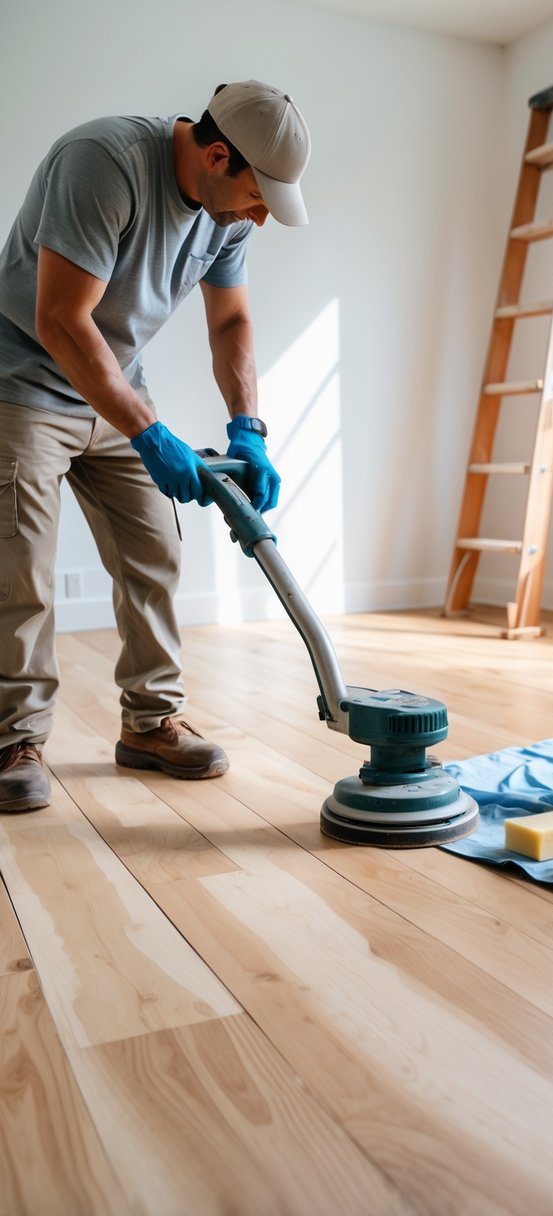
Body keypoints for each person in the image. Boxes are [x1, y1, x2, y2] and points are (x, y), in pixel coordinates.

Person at [0, 79, 311, 812]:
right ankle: (15, 739)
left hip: (115, 390)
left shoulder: (225, 214)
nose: (259, 217)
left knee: (155, 552)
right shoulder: (101, 161)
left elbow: (231, 324)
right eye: (258, 195)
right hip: (20, 382)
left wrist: (249, 427)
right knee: (20, 570)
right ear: (214, 154)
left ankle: (151, 723)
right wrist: (149, 431)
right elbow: (59, 319)